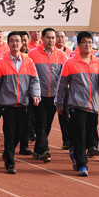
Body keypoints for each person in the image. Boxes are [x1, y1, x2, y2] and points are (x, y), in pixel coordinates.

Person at [56, 31, 99, 177]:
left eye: (90, 42)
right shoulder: (70, 63)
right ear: (78, 44)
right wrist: (59, 102)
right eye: (84, 42)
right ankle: (82, 164)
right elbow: (62, 84)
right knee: (80, 135)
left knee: (89, 136)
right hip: (77, 105)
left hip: (94, 106)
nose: (88, 45)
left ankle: (75, 153)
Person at [0, 31, 40, 174]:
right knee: (9, 133)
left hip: (23, 103)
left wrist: (35, 94)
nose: (15, 43)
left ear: (22, 43)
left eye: (17, 41)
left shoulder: (28, 61)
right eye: (12, 40)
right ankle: (10, 162)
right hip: (7, 104)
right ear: (8, 43)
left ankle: (7, 153)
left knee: (21, 132)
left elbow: (34, 80)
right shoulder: (1, 62)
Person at [28, 28, 68, 162]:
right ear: (42, 39)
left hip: (54, 96)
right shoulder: (33, 54)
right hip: (38, 95)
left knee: (47, 125)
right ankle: (45, 149)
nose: (51, 40)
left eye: (53, 38)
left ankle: (37, 150)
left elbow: (65, 76)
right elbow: (29, 74)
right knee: (41, 123)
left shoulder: (62, 55)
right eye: (48, 37)